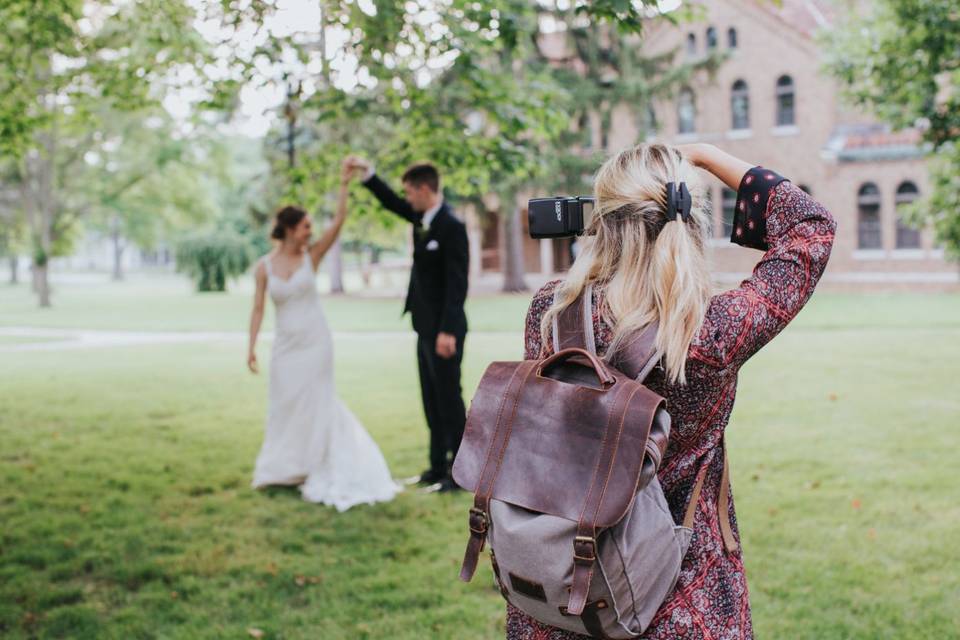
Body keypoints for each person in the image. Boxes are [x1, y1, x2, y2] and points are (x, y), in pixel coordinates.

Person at [509, 143, 836, 639]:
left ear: (599, 221)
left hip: (566, 582)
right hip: (683, 591)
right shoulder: (710, 333)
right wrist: (707, 156)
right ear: (687, 223)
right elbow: (811, 228)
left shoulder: (550, 315)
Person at [247, 160, 399, 511]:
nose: (309, 233)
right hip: (285, 346)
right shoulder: (263, 267)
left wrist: (344, 184)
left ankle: (315, 463)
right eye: (304, 227)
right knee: (285, 403)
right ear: (287, 229)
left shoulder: (311, 257)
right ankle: (285, 467)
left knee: (317, 403)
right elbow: (257, 309)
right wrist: (251, 346)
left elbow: (339, 222)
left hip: (316, 343)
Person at [345, 157, 469, 493]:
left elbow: (458, 285)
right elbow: (392, 203)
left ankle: (459, 473)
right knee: (430, 398)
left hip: (445, 331)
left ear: (425, 189)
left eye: (410, 192)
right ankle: (435, 467)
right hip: (423, 326)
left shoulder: (451, 227)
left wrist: (447, 330)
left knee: (448, 400)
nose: (408, 198)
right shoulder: (421, 219)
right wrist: (368, 175)